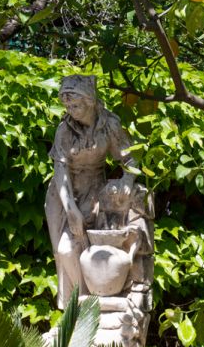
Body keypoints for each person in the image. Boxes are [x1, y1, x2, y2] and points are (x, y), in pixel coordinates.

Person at [45, 75, 144, 307]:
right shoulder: (64, 129)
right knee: (64, 251)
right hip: (62, 194)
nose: (70, 110)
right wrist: (70, 209)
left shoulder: (109, 124)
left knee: (90, 249)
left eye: (75, 105)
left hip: (94, 190)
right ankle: (79, 306)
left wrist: (127, 180)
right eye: (67, 106)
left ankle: (91, 302)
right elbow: (60, 169)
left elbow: (130, 159)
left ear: (90, 101)